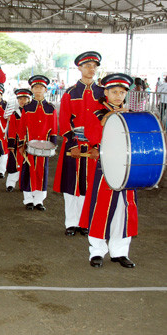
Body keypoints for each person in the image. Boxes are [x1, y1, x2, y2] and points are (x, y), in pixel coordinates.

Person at [79, 73, 137, 269]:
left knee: (124, 208)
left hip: (127, 168)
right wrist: (109, 118)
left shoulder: (130, 114)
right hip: (105, 167)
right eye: (114, 92)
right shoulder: (97, 113)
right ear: (106, 92)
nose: (118, 96)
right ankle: (97, 250)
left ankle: (120, 251)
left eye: (122, 92)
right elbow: (92, 135)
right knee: (100, 207)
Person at [53, 51, 104, 236]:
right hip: (72, 143)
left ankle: (85, 222)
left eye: (94, 66)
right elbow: (64, 119)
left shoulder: (103, 94)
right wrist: (73, 144)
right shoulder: (70, 92)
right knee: (70, 184)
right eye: (87, 66)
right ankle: (71, 223)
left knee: (89, 184)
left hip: (94, 146)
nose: (91, 69)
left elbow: (105, 122)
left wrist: (97, 146)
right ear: (80, 68)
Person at [18, 75, 57, 211]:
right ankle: (28, 199)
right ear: (32, 89)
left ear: (46, 89)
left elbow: (54, 129)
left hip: (44, 147)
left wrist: (53, 144)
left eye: (41, 87)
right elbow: (22, 127)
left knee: (42, 171)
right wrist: (21, 144)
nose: (38, 90)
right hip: (29, 145)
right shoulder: (27, 107)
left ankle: (39, 200)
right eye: (35, 87)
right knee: (28, 171)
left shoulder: (51, 108)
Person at [6, 88, 32, 192]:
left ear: (29, 99)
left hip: (29, 144)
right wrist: (11, 146)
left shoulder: (31, 112)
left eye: (25, 98)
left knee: (27, 165)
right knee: (14, 164)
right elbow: (11, 131)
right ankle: (10, 184)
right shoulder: (14, 114)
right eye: (20, 98)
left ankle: (24, 185)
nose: (22, 101)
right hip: (17, 144)